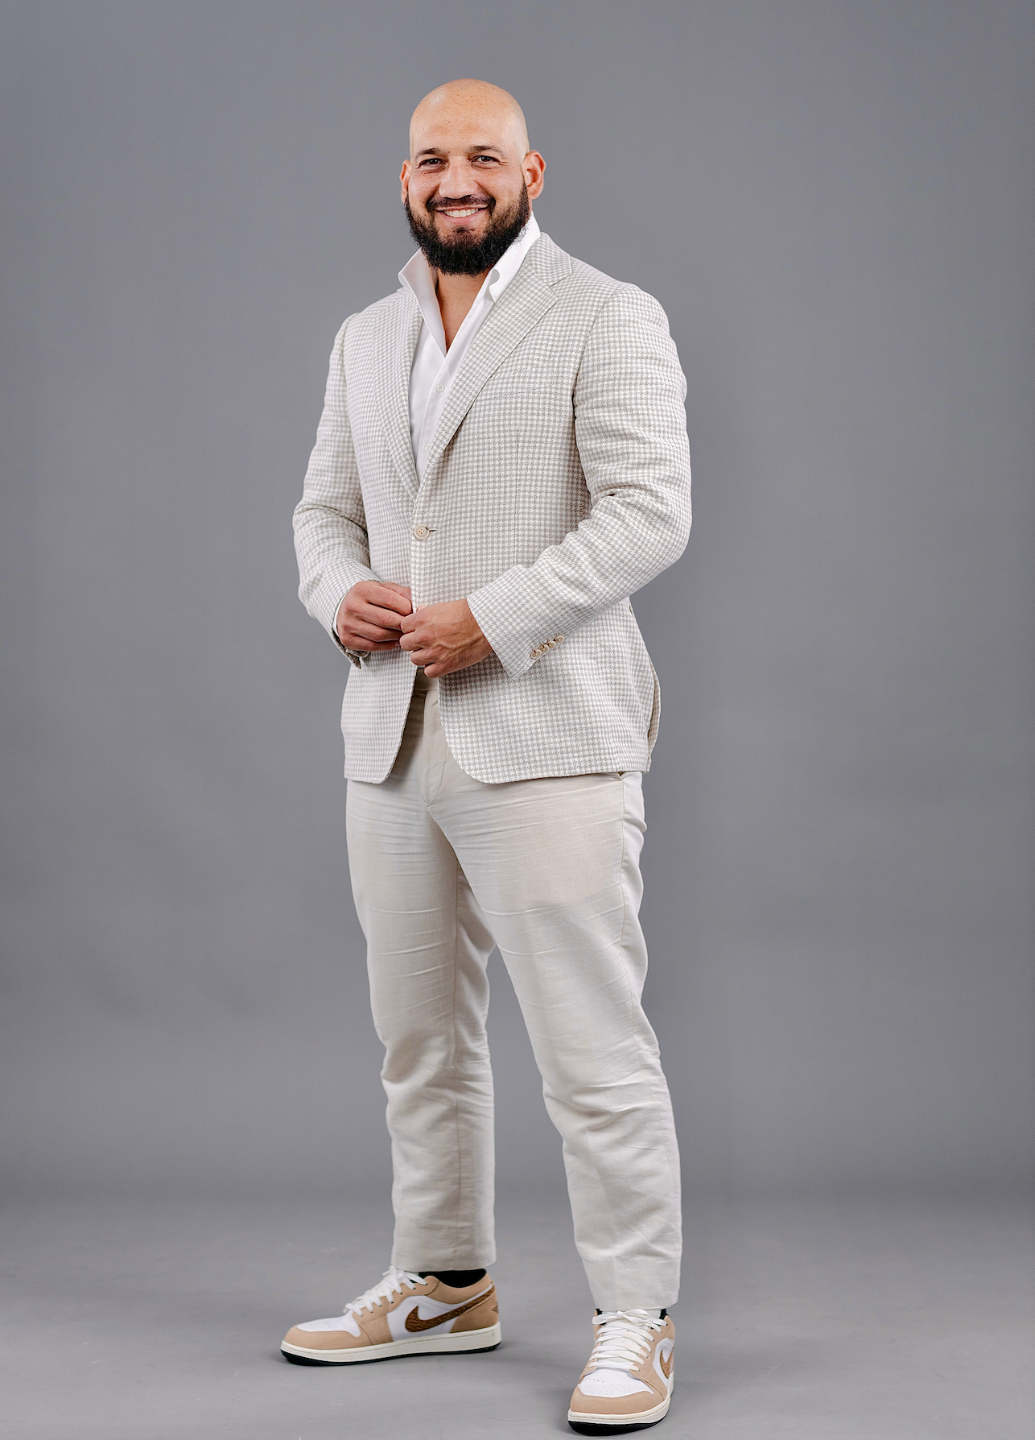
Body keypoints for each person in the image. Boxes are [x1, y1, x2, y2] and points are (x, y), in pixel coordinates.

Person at [283, 78, 691, 1434]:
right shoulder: (366, 334)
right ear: (403, 179)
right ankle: (446, 1285)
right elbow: (323, 512)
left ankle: (637, 1316)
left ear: (532, 172)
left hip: (551, 730)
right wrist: (335, 595)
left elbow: (649, 511)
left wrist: (493, 619)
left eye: (481, 157)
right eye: (430, 159)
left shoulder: (608, 315)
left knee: (590, 1050)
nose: (454, 179)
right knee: (419, 1040)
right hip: (391, 731)